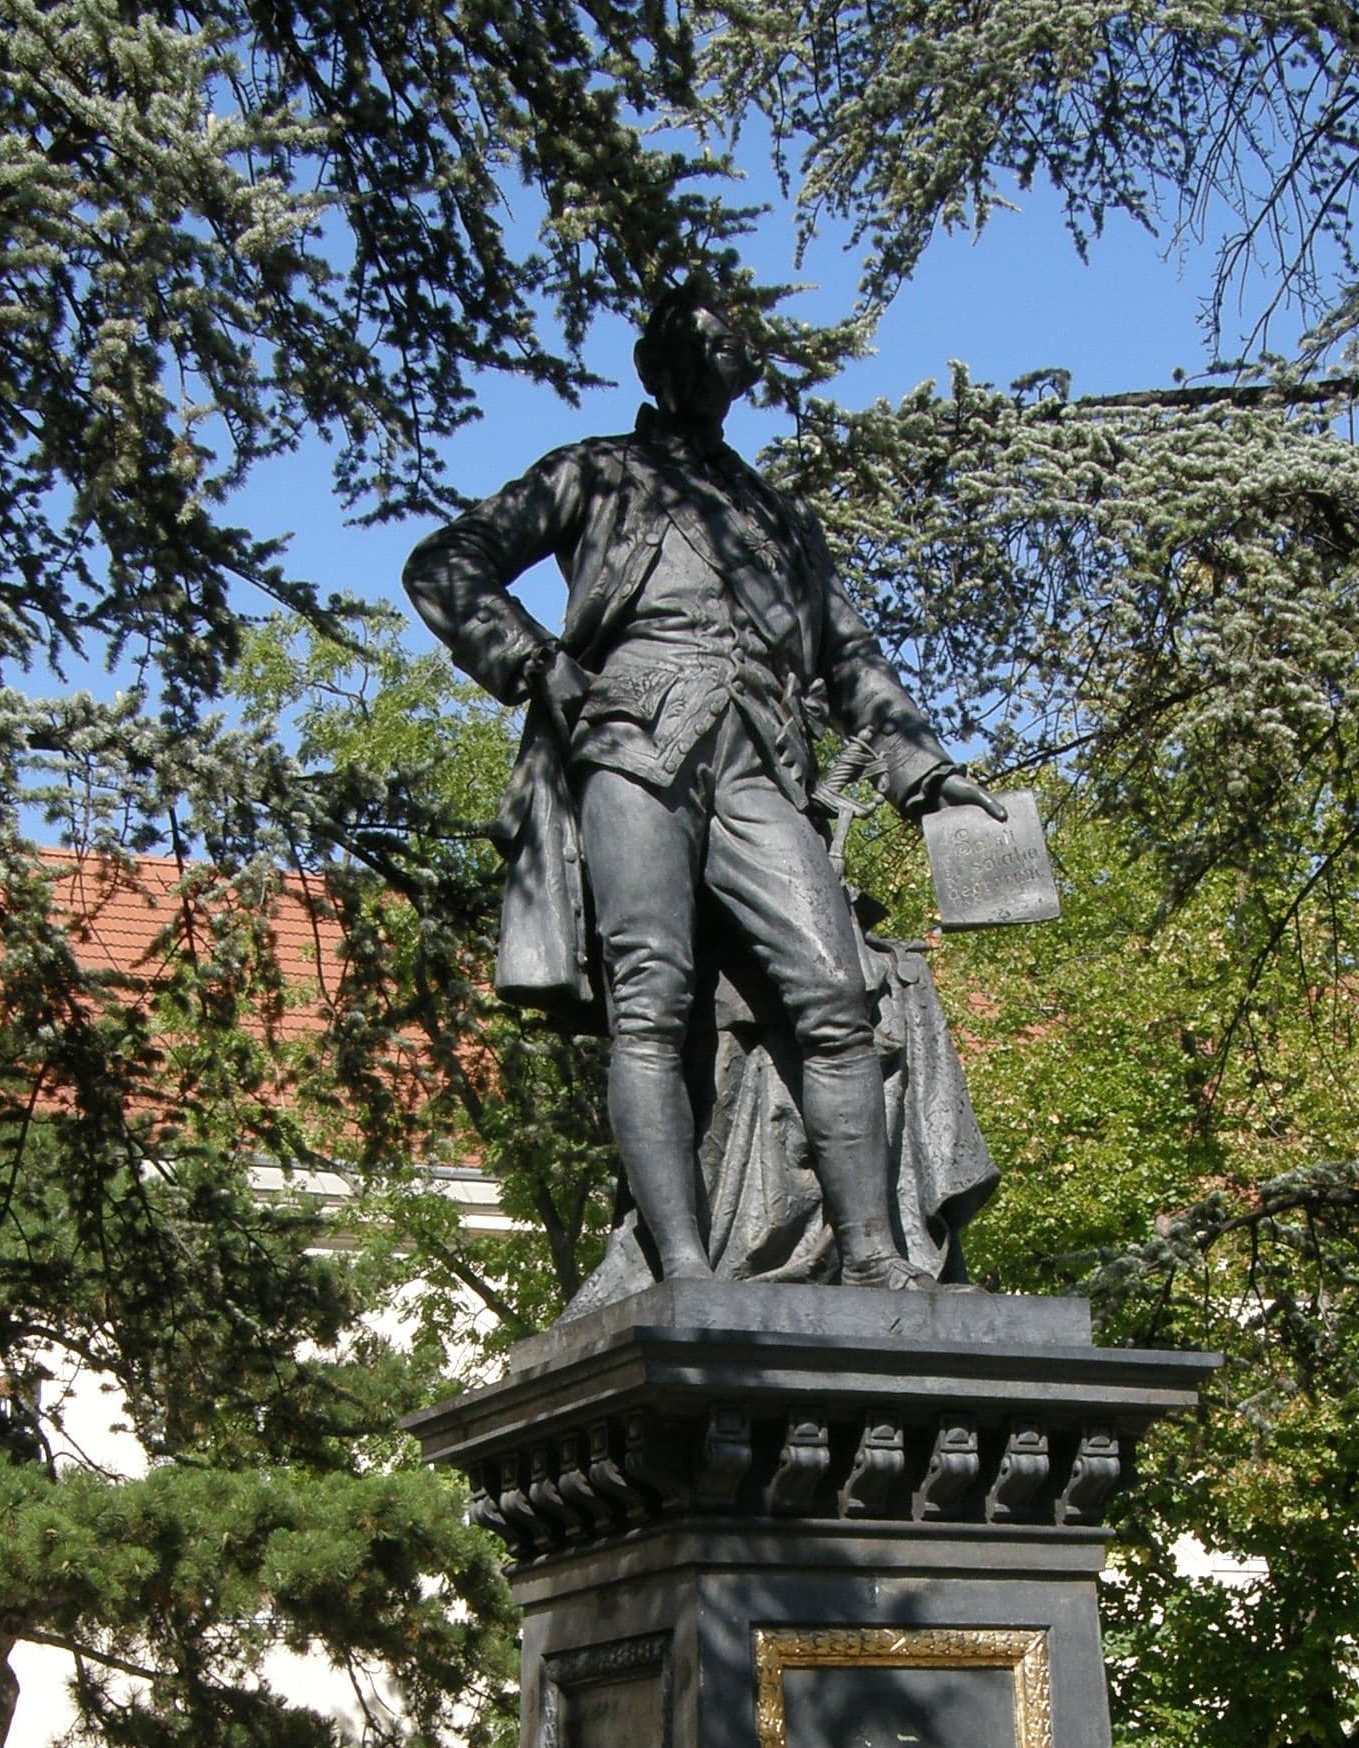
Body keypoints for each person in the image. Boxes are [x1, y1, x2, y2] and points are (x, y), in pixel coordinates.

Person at [404, 284, 1002, 1293]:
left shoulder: (777, 517)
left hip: (761, 765)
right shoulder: (595, 472)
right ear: (651, 367)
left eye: (725, 348)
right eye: (685, 346)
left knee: (836, 997)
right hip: (632, 747)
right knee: (650, 1001)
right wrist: (540, 663)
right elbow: (446, 563)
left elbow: (849, 659)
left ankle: (870, 1254)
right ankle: (680, 1265)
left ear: (744, 373)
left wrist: (926, 772)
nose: (705, 362)